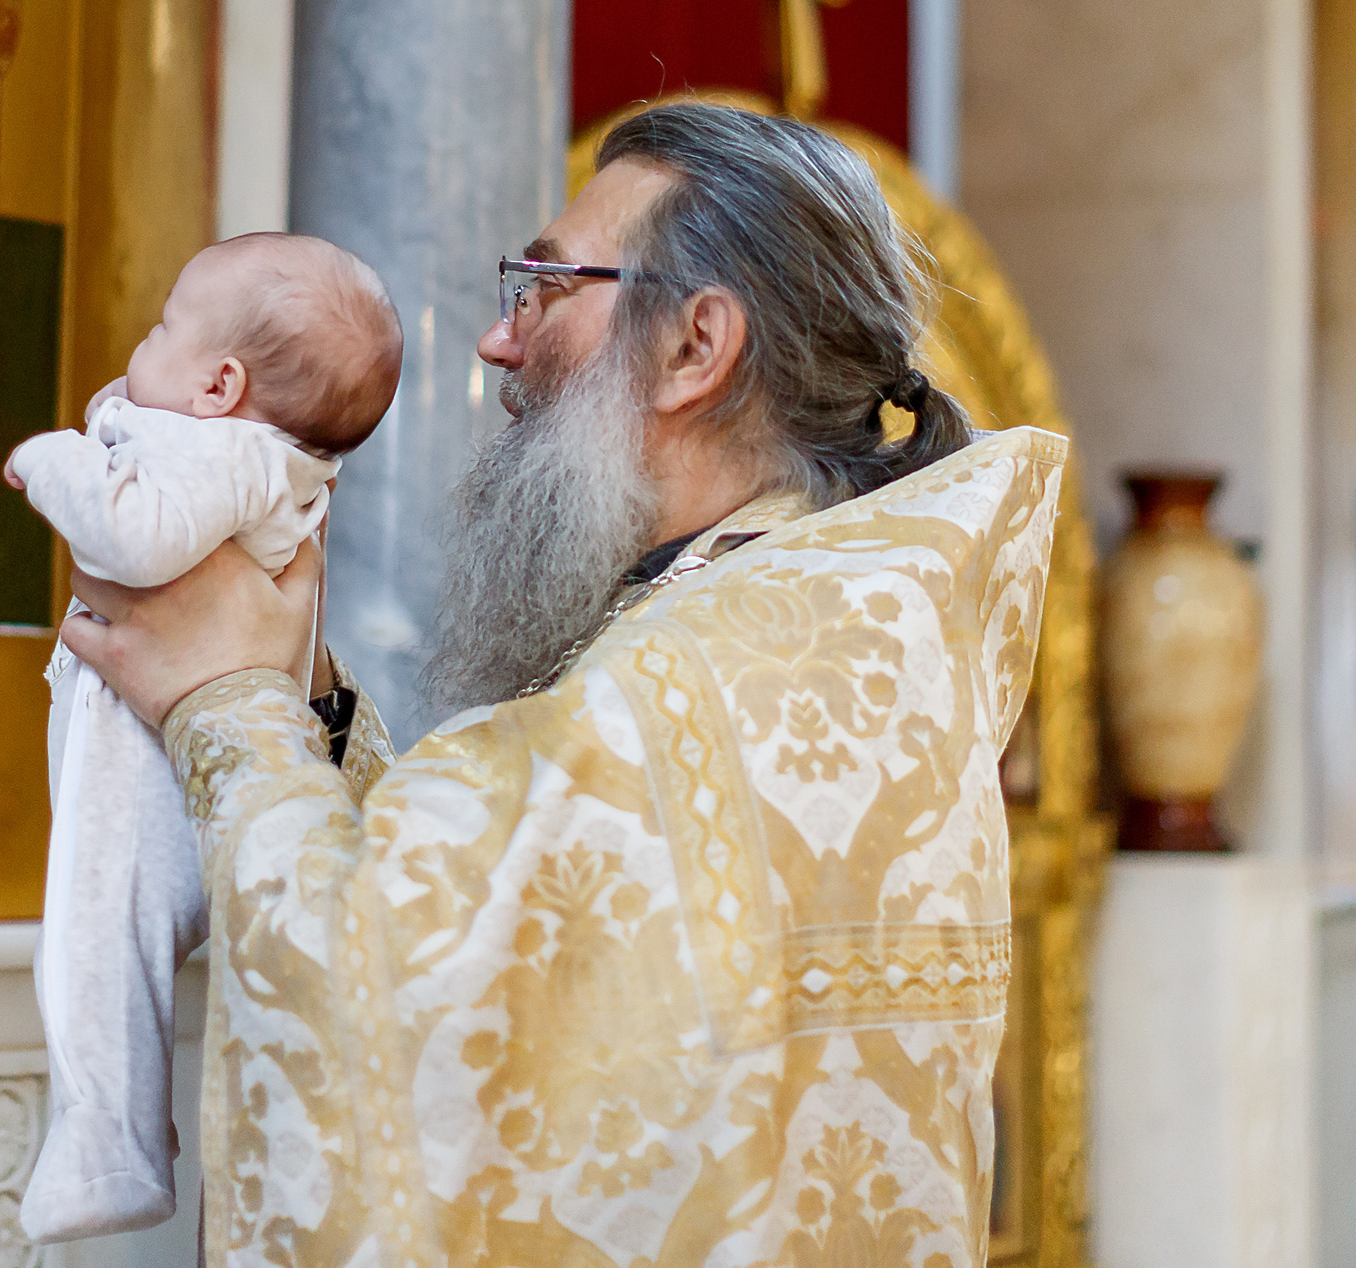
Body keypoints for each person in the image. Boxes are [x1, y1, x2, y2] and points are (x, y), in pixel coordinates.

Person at [60, 101, 1068, 1266]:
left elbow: (378, 997)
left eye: (544, 288)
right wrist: (309, 699)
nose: (499, 341)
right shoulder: (816, 627)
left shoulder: (710, 666)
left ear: (694, 346)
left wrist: (228, 700)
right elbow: (515, 930)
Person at [6, 235, 404, 1243]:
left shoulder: (229, 454)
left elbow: (135, 535)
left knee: (96, 937)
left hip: (157, 757)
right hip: (210, 759)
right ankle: (113, 1136)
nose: (500, 338)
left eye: (160, 327)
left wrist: (52, 458)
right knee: (100, 938)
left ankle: (110, 1143)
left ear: (222, 385)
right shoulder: (256, 456)